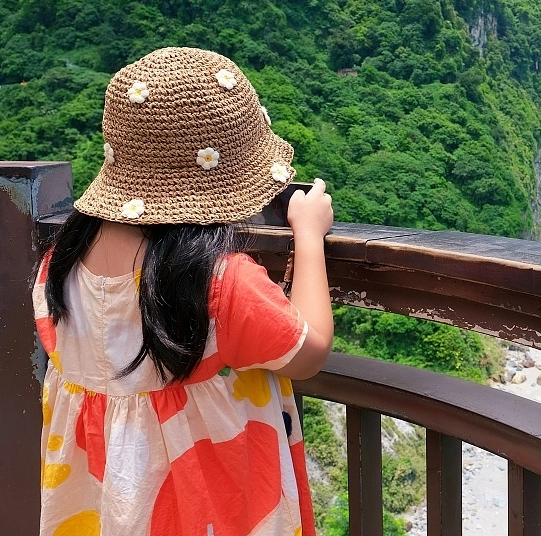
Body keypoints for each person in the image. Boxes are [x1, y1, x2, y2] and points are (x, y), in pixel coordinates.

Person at [33, 47, 335, 536]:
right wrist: (309, 234)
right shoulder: (219, 282)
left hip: (98, 501)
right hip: (206, 504)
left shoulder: (58, 268)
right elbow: (310, 351)